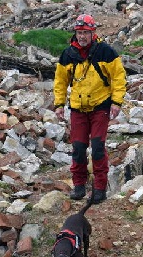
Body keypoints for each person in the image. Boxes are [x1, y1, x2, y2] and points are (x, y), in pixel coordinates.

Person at [54, 13, 127, 204]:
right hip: (78, 109)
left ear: (93, 32)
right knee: (78, 148)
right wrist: (59, 104)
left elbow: (119, 78)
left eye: (86, 32)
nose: (82, 36)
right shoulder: (68, 54)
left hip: (100, 107)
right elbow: (60, 82)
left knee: (97, 148)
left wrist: (117, 102)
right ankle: (79, 186)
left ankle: (100, 188)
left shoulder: (106, 52)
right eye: (79, 32)